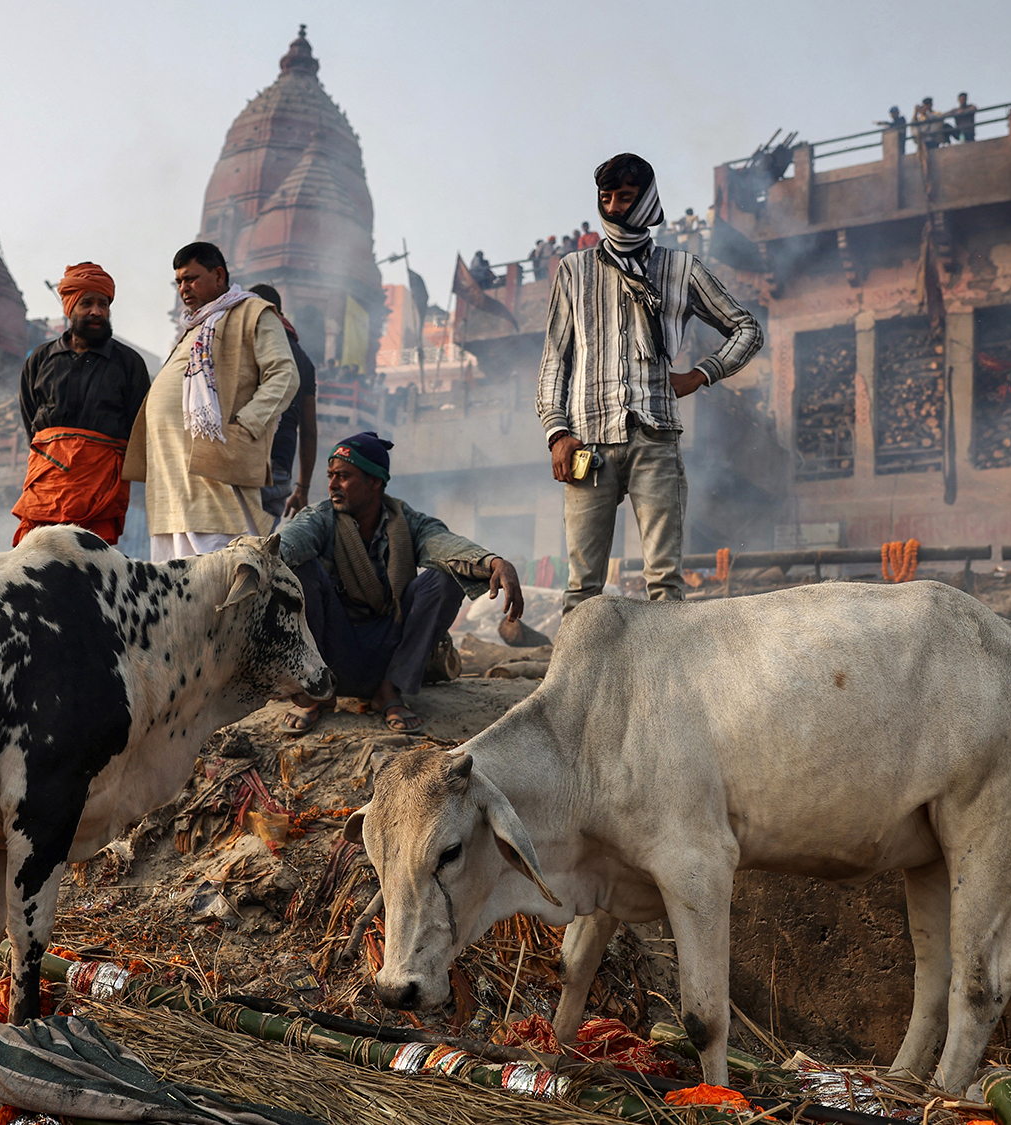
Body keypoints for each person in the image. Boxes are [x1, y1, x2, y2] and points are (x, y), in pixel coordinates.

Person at [537, 153, 763, 613]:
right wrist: (557, 433)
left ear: (647, 202)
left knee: (664, 584)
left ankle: (669, 686)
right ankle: (579, 685)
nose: (615, 207)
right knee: (582, 588)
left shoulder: (681, 269)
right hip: (587, 445)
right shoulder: (573, 270)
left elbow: (747, 329)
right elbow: (554, 362)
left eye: (625, 197)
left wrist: (701, 375)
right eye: (607, 197)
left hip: (655, 440)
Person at [277, 433, 523, 733]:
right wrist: (247, 558)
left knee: (444, 578)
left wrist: (494, 562)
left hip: (389, 648)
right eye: (331, 476)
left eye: (343, 477)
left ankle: (390, 691)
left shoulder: (406, 521)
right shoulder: (321, 518)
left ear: (374, 482)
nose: (331, 485)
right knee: (300, 571)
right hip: (334, 647)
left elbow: (444, 544)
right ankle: (315, 693)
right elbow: (287, 544)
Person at [122, 242, 299, 561]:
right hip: (170, 477)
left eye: (191, 278)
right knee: (172, 585)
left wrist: (248, 424)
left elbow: (284, 374)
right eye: (178, 281)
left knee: (220, 572)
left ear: (219, 275)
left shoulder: (252, 312)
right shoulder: (194, 326)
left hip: (214, 468)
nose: (183, 288)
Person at [11, 261, 152, 546]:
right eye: (87, 303)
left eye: (103, 303)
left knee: (91, 567)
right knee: (35, 562)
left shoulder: (128, 363)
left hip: (101, 487)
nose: (96, 311)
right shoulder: (40, 360)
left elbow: (140, 427)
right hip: (46, 481)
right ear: (70, 307)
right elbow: (32, 424)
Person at [247, 284, 320, 523]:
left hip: (246, 457)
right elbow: (308, 431)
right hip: (281, 466)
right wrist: (303, 487)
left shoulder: (250, 341)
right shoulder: (304, 360)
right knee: (259, 550)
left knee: (228, 550)